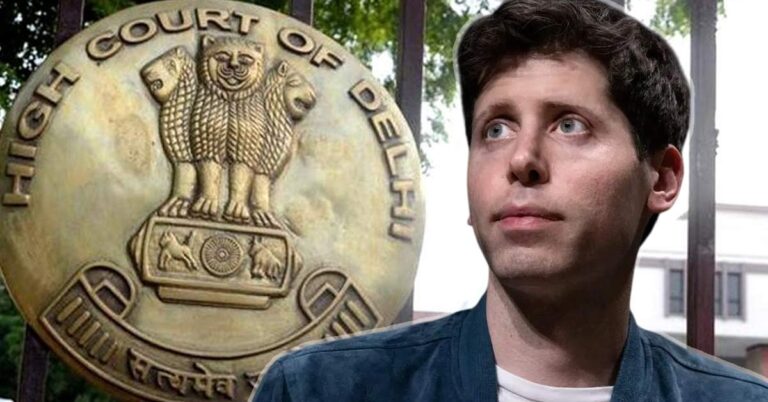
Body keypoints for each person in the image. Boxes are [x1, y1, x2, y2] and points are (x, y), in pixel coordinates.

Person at [251, 1, 768, 401]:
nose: (521, 159)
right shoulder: (322, 389)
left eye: (570, 125)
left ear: (662, 179)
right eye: (496, 129)